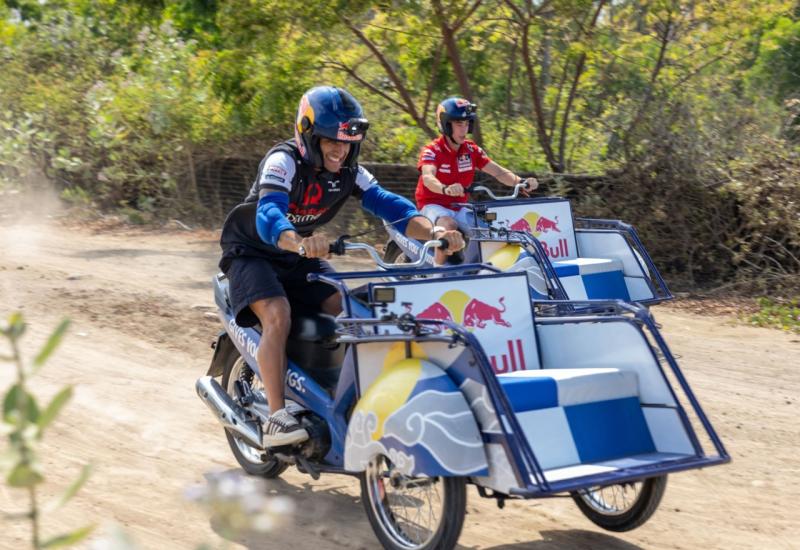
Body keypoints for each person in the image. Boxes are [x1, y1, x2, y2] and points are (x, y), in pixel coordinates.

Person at [219, 86, 464, 447]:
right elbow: (269, 213)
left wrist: (436, 231)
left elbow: (391, 206)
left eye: (347, 142)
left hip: (297, 254)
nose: (340, 149)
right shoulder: (282, 161)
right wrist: (297, 239)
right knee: (278, 314)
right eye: (330, 141)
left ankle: (344, 394)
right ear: (307, 135)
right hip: (252, 251)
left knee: (350, 308)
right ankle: (277, 416)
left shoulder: (351, 172)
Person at [415, 97, 539, 265]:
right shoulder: (432, 151)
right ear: (446, 125)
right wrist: (445, 188)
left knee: (489, 227)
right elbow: (428, 178)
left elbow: (498, 171)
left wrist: (521, 181)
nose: (464, 129)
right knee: (448, 225)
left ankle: (479, 270)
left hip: (459, 206)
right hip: (432, 205)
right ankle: (438, 273)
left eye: (467, 124)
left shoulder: (471, 150)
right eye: (459, 124)